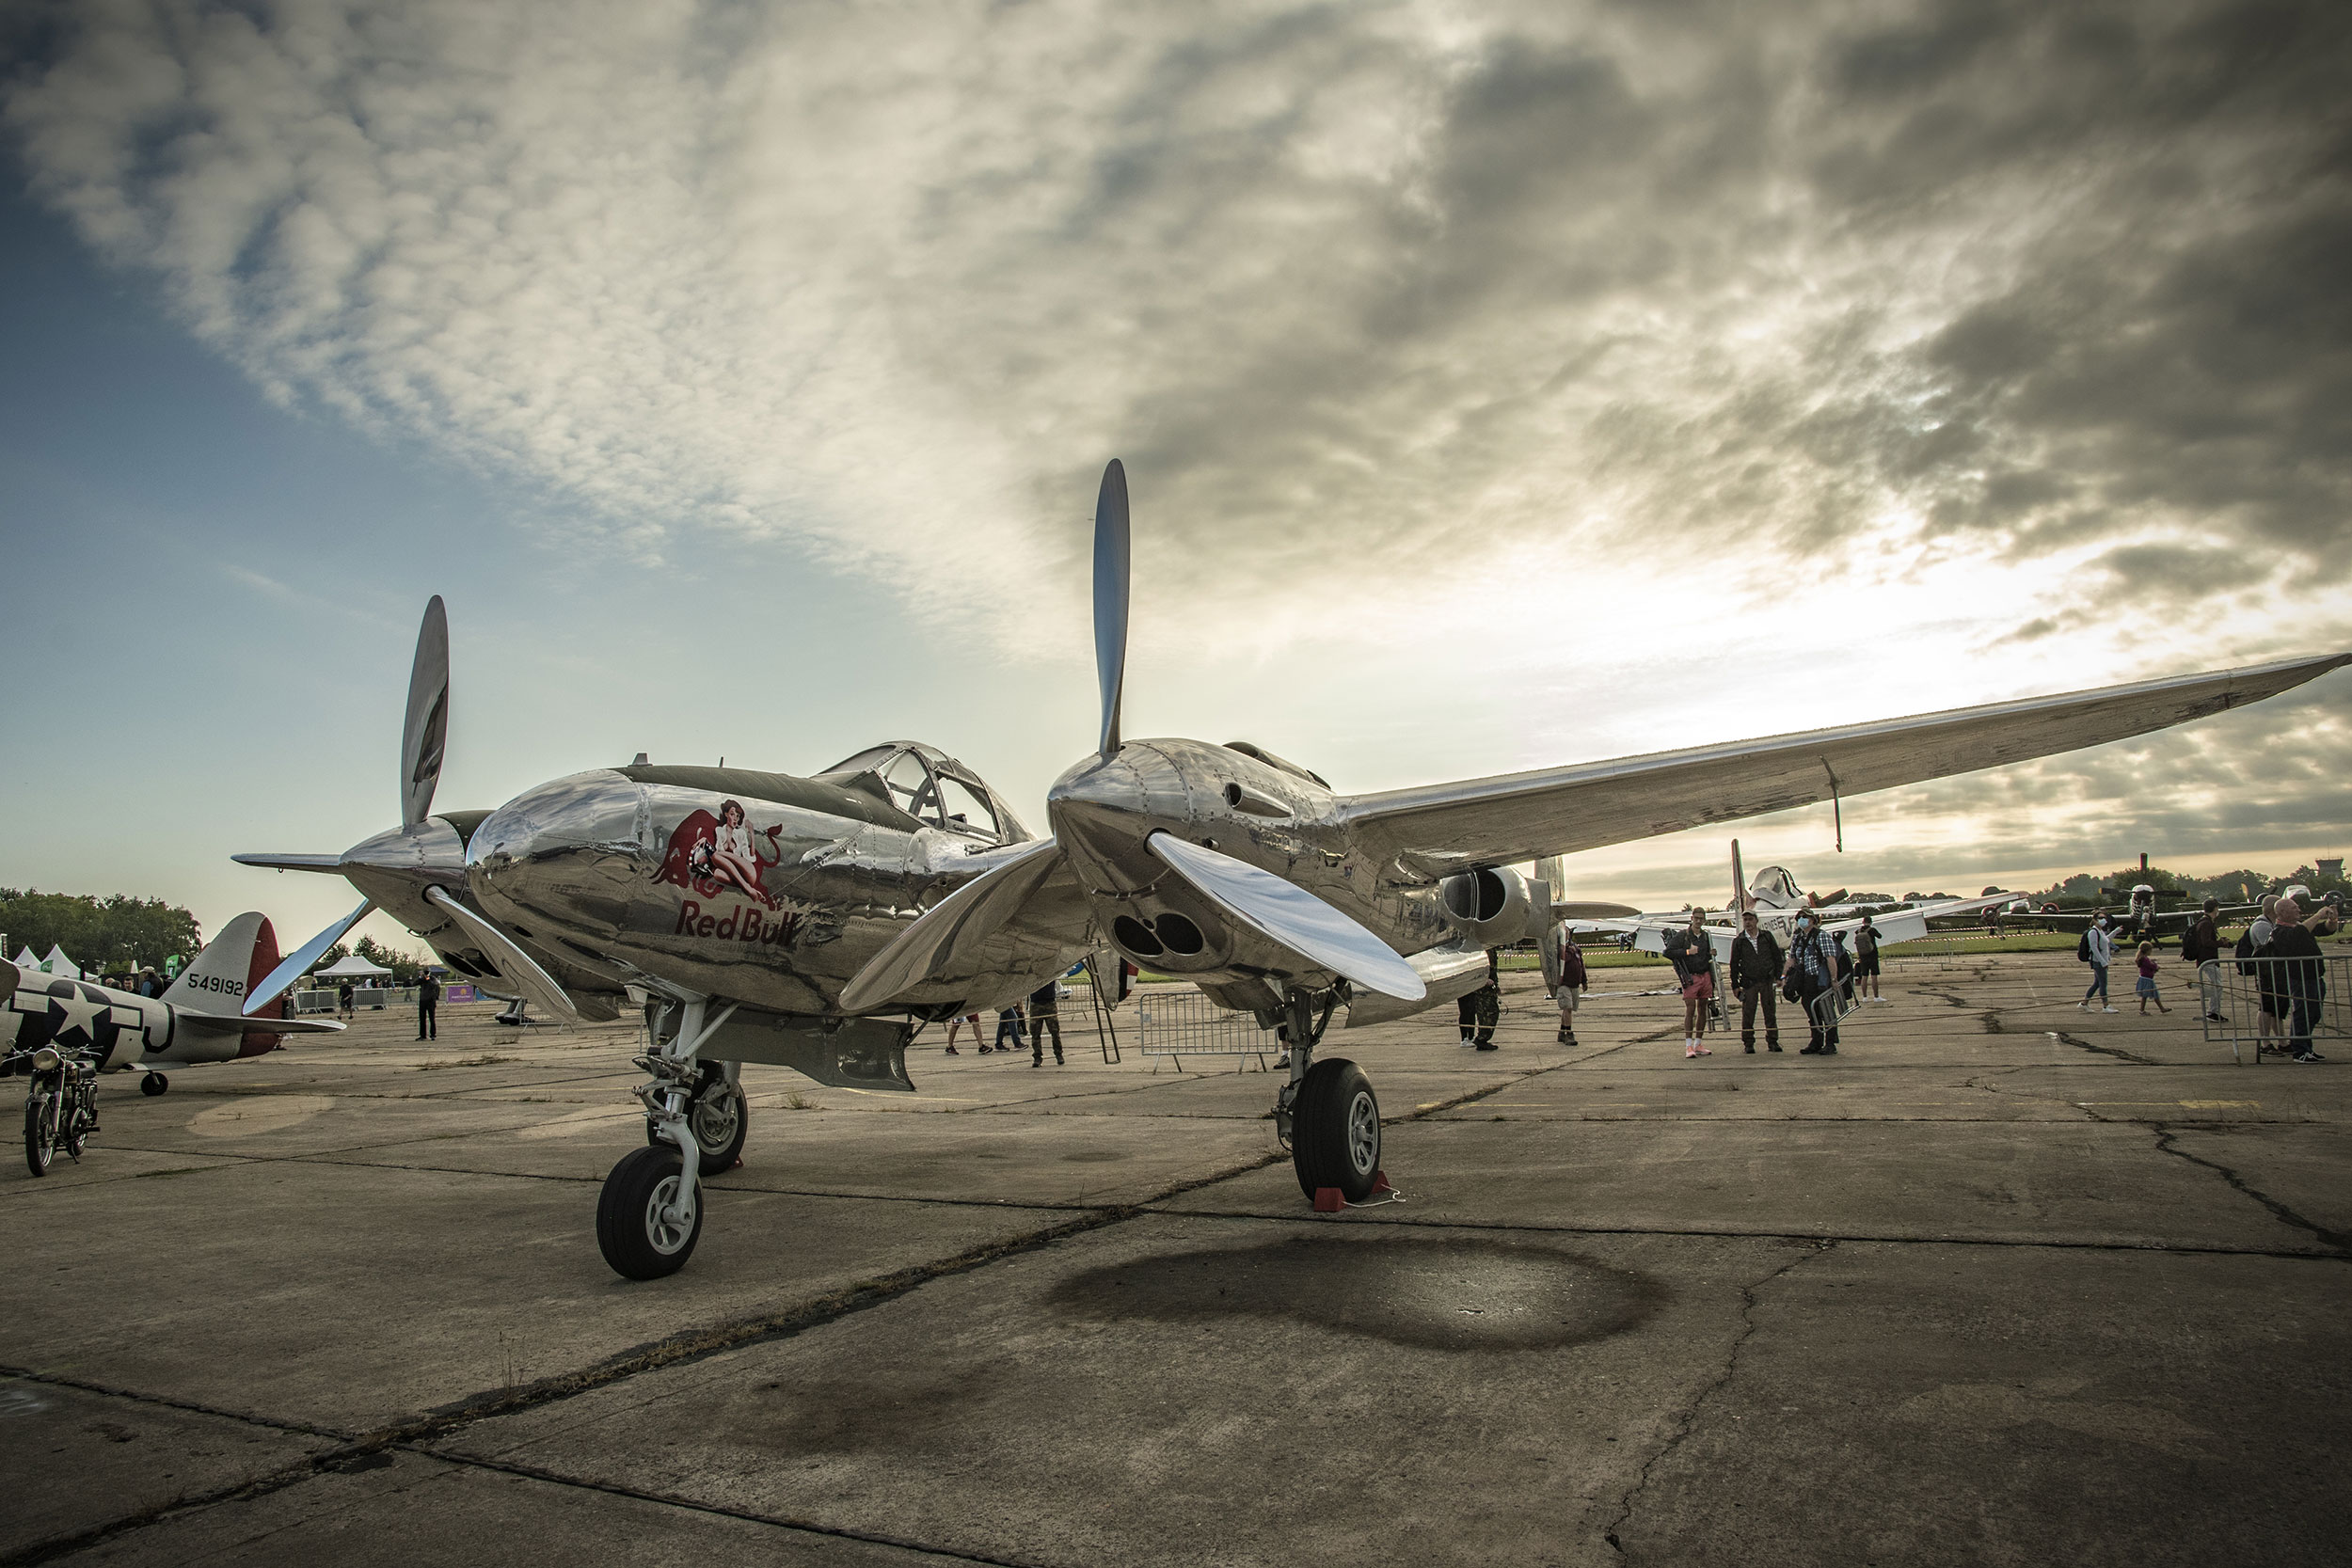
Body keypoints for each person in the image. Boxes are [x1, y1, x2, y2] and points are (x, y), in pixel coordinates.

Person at [2268, 897, 2327, 1063]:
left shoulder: (2299, 927)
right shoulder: (2279, 931)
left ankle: (2306, 1047)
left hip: (2314, 977)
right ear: (2283, 912)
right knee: (2303, 1013)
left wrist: (2331, 920)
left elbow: (2324, 929)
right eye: (2294, 908)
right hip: (2300, 979)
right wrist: (2318, 914)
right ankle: (2299, 1050)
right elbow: (2299, 934)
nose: (2299, 910)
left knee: (2314, 1013)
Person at [1784, 910, 1841, 1054]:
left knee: (1826, 1010)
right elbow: (1791, 959)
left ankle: (1830, 1043)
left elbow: (1830, 958)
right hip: (1805, 979)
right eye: (1800, 917)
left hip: (1820, 979)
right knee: (1811, 1009)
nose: (1802, 919)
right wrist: (1784, 977)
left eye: (1805, 917)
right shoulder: (1797, 938)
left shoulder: (1821, 936)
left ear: (1813, 919)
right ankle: (1816, 1041)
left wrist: (1834, 979)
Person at [1728, 910, 1783, 1053]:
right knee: (1748, 1013)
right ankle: (1748, 1043)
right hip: (1749, 982)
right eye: (1745, 920)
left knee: (1770, 1012)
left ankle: (1773, 1041)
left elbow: (1777, 957)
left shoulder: (1767, 937)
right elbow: (1734, 964)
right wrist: (1735, 985)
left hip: (1767, 980)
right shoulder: (1739, 941)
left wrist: (1779, 976)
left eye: (1750, 919)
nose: (1748, 922)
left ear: (1756, 921)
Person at [1668, 911, 1714, 1058]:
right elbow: (1668, 952)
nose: (1699, 921)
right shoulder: (1683, 935)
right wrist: (1688, 952)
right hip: (1690, 977)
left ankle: (1698, 1043)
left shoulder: (1706, 936)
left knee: (1703, 1009)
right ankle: (1688, 1045)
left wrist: (1711, 953)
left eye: (1701, 919)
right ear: (1692, 919)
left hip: (1705, 974)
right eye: (1696, 918)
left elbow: (1705, 955)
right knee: (1690, 1009)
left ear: (1704, 920)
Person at [2246, 896, 2283, 1054]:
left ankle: (2283, 1041)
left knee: (2277, 1009)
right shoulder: (2261, 925)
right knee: (2266, 1007)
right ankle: (2265, 1043)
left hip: (2276, 972)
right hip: (2266, 973)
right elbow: (2275, 947)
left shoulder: (2271, 924)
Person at [2181, 898, 2224, 1022]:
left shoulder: (2204, 922)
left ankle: (2214, 1011)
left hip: (2207, 959)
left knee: (2217, 985)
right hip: (2207, 959)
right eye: (2217, 908)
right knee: (2218, 986)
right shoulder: (2206, 923)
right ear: (2215, 909)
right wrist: (2221, 943)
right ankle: (2212, 1012)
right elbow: (2206, 942)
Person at [1552, 924, 1588, 1046]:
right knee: (1567, 1008)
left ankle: (1562, 1032)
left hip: (1574, 983)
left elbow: (1580, 964)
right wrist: (1569, 951)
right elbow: (1562, 960)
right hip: (1564, 983)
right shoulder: (1558, 948)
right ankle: (1569, 1033)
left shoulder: (1575, 948)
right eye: (1564, 933)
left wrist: (1584, 980)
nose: (1566, 934)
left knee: (1569, 1009)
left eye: (1567, 932)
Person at [1463, 949, 1501, 1051]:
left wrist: (1496, 986)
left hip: (1489, 988)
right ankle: (1482, 1038)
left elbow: (1492, 970)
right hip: (1483, 989)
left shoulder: (1490, 949)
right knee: (1487, 1013)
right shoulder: (1482, 950)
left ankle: (1483, 1038)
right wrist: (1484, 979)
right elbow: (1477, 966)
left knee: (1490, 1012)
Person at [2077, 914, 2116, 1013]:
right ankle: (2105, 1006)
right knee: (2103, 983)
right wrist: (2103, 962)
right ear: (2094, 920)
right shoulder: (2093, 932)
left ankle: (2084, 1003)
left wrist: (2116, 931)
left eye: (2104, 918)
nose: (2103, 920)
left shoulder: (2100, 931)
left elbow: (2106, 940)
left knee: (2097, 983)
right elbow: (2094, 948)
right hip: (2098, 962)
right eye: (2100, 918)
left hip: (2102, 961)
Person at [1028, 979, 1064, 1067]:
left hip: (1049, 1002)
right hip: (1036, 1003)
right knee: (1035, 1033)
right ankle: (1037, 1057)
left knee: (1055, 1031)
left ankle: (1059, 1054)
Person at [1852, 914, 1884, 1003]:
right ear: (1871, 922)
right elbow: (1879, 936)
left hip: (1862, 956)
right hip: (1872, 955)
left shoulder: (1858, 931)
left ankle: (1865, 997)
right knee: (1874, 976)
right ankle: (1876, 997)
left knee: (1864, 977)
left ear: (1863, 921)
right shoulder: (1872, 930)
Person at [2133, 941, 2170, 1015]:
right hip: (2147, 979)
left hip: (2146, 978)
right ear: (2147, 951)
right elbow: (2152, 966)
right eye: (2150, 950)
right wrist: (2156, 967)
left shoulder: (2143, 958)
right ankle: (2142, 1010)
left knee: (2153, 995)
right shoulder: (2145, 959)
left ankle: (2161, 1008)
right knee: (2145, 996)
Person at [416, 972, 440, 1041]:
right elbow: (414, 983)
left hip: (431, 1001)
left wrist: (428, 979)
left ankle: (433, 1035)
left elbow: (434, 985)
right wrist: (420, 978)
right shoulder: (422, 979)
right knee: (422, 1019)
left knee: (432, 1018)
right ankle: (422, 1035)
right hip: (423, 1001)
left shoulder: (433, 979)